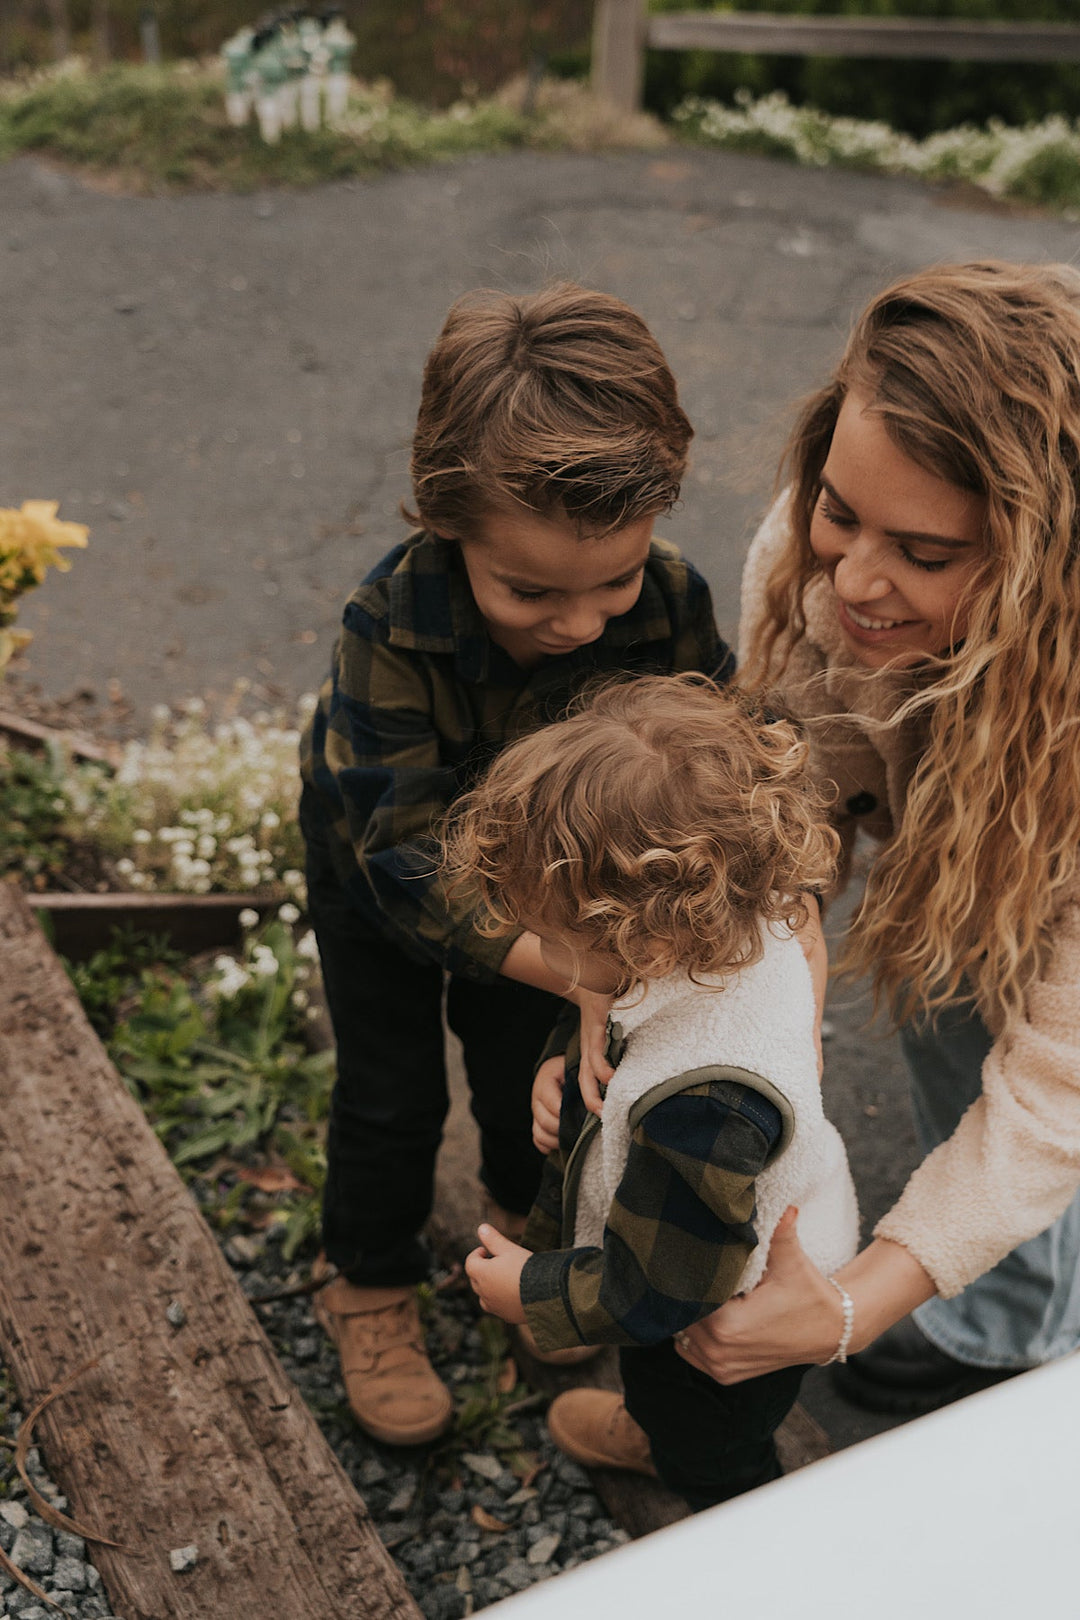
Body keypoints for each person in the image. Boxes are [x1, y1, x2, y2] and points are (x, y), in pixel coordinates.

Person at [299, 283, 733, 1446]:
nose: (583, 623)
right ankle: (373, 1284)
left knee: (526, 1090)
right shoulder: (387, 625)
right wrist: (575, 967)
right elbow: (403, 854)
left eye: (614, 583)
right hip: (386, 872)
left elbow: (717, 752)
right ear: (451, 520)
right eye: (531, 590)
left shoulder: (674, 607)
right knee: (390, 1096)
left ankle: (522, 1247)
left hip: (557, 902)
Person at [660, 259, 1080, 1414]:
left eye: (927, 555)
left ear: (1052, 567)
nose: (853, 576)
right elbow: (798, 803)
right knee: (951, 987)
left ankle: (1008, 1336)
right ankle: (1018, 1281)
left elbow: (1058, 1085)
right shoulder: (806, 562)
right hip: (974, 837)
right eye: (840, 508)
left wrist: (859, 1302)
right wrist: (708, 1004)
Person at [449, 675, 859, 1508]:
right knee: (674, 1398)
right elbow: (631, 1010)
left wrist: (532, 1291)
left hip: (722, 1313)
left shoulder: (708, 1104)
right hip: (715, 1231)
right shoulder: (746, 920)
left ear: (650, 933)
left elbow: (664, 1286)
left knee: (710, 1439)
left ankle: (708, 1498)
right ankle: (659, 1426)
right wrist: (566, 1059)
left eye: (558, 941)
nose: (548, 959)